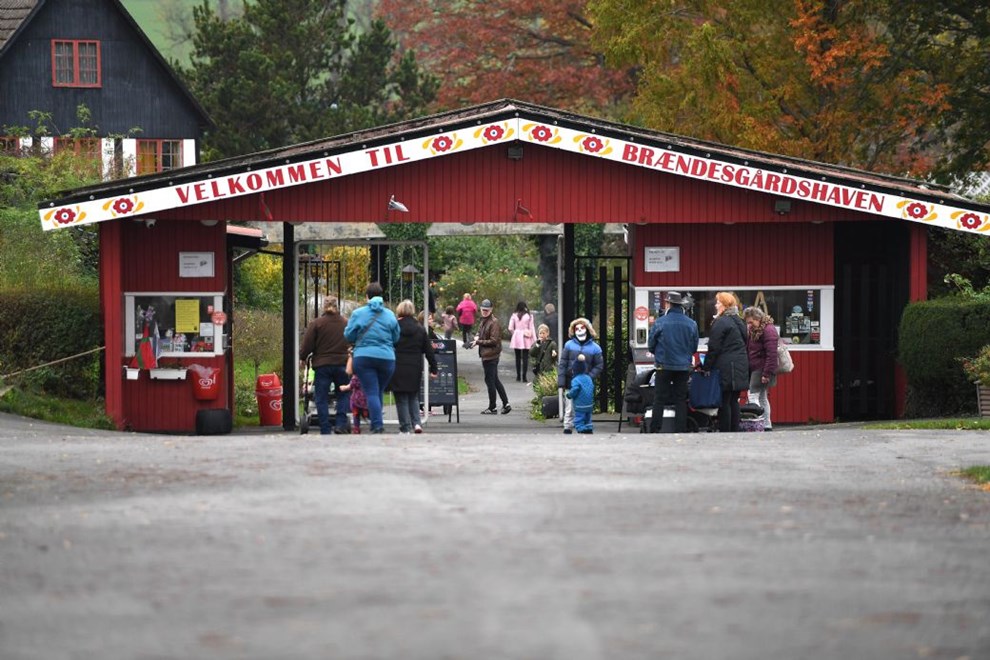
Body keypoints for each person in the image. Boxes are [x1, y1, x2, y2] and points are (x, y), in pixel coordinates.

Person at [343, 282, 400, 434]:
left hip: (364, 357)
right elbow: (396, 337)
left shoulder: (358, 313)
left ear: (367, 296)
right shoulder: (390, 314)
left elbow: (348, 335)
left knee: (372, 392)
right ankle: (377, 422)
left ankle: (377, 425)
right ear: (381, 296)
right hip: (387, 358)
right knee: (378, 391)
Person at [647, 291, 700, 433]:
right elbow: (694, 347)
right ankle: (680, 429)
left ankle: (655, 429)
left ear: (668, 304)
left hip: (663, 365)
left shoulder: (660, 322)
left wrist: (658, 354)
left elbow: (651, 345)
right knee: (680, 399)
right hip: (683, 367)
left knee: (659, 398)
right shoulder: (691, 324)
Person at [298, 296, 352, 435]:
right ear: (337, 306)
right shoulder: (346, 323)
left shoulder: (317, 323)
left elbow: (307, 344)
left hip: (322, 365)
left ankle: (325, 427)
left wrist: (303, 357)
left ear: (324, 306)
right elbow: (352, 341)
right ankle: (340, 423)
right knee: (343, 394)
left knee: (320, 397)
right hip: (342, 364)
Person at [390, 301, 438, 434]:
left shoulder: (394, 327)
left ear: (399, 311)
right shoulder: (420, 329)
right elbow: (429, 351)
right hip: (415, 366)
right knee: (413, 396)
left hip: (398, 365)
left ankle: (405, 428)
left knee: (401, 399)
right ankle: (417, 423)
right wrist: (434, 369)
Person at [705, 291, 750, 432]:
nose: (716, 305)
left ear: (724, 305)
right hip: (740, 364)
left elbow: (714, 347)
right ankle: (734, 430)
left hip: (727, 366)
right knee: (733, 400)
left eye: (718, 302)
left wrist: (706, 366)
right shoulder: (739, 320)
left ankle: (725, 431)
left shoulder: (721, 322)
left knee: (724, 401)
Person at [557, 317, 603, 434]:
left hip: (586, 383)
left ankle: (586, 426)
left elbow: (599, 366)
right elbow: (562, 364)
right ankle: (568, 427)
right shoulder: (568, 345)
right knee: (569, 407)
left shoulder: (595, 348)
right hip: (569, 380)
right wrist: (561, 382)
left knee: (585, 406)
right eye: (576, 328)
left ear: (587, 329)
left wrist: (589, 377)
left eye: (582, 328)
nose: (579, 330)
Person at [471, 298, 511, 414]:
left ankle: (493, 407)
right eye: (483, 310)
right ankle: (506, 403)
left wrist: (478, 342)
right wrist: (477, 337)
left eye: (487, 310)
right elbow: (480, 333)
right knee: (494, 380)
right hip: (488, 354)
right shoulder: (484, 320)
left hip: (491, 355)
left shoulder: (493, 322)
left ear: (491, 310)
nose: (484, 312)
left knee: (490, 381)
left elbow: (494, 341)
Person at [743, 306, 779, 431]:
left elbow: (772, 354)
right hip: (757, 368)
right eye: (747, 323)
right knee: (762, 397)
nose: (749, 325)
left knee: (752, 396)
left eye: (751, 322)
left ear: (758, 318)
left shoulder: (768, 330)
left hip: (761, 369)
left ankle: (757, 423)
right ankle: (766, 424)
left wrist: (766, 373)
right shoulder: (756, 330)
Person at [566, 354, 595, 434]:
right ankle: (589, 427)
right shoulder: (588, 378)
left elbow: (575, 390)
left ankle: (581, 429)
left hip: (580, 404)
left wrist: (569, 395)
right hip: (589, 403)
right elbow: (592, 387)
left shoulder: (575, 380)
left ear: (575, 370)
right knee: (587, 417)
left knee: (579, 418)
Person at [507, 301, 536, 382]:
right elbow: (532, 328)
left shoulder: (514, 315)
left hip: (517, 336)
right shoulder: (529, 316)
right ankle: (524, 376)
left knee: (517, 357)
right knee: (525, 357)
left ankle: (518, 376)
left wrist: (515, 333)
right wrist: (534, 339)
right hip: (526, 336)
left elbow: (510, 328)